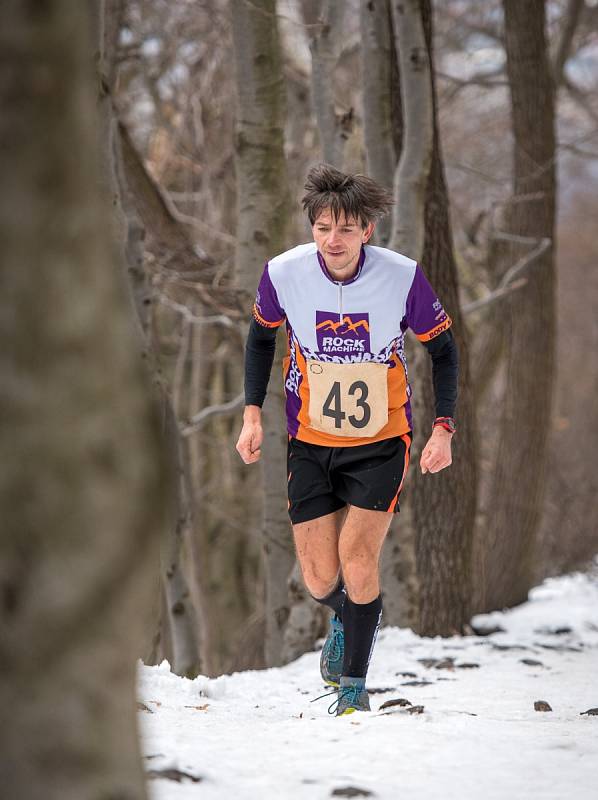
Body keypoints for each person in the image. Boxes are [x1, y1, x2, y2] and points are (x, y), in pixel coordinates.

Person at [236, 163, 458, 716]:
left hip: (382, 439)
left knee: (358, 560)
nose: (333, 241)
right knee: (319, 577)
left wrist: (443, 428)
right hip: (310, 439)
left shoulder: (403, 277)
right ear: (311, 228)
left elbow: (444, 349)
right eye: (322, 228)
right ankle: (353, 615)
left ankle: (353, 689)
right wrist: (252, 416)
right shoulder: (283, 273)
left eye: (346, 230)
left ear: (367, 232)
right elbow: (260, 339)